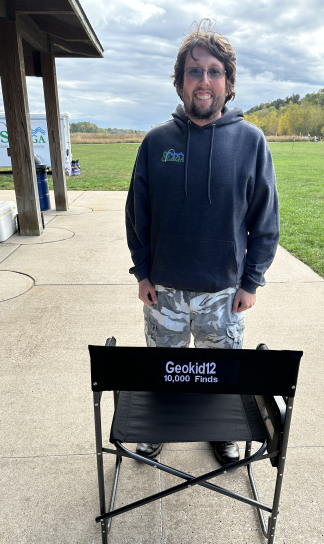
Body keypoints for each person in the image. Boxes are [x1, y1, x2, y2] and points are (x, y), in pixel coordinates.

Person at [125, 20, 279, 464]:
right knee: (165, 371)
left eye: (214, 71)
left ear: (228, 82)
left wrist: (251, 282)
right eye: (194, 71)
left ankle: (219, 430)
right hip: (164, 292)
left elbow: (265, 220)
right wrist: (143, 272)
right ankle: (159, 425)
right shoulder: (156, 142)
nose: (204, 80)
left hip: (224, 294)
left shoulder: (251, 142)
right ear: (180, 83)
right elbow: (137, 215)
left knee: (219, 376)